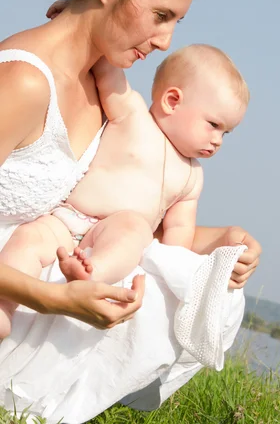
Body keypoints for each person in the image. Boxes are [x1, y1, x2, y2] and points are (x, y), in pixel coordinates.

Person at [0, 0, 261, 423]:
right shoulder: (23, 82)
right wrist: (49, 298)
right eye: (161, 15)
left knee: (203, 285)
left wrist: (225, 247)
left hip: (43, 268)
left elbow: (125, 214)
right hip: (15, 285)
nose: (166, 40)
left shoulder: (98, 85)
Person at [0, 44, 249, 337]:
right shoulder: (132, 114)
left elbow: (179, 229)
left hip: (113, 234)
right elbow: (107, 70)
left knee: (134, 229)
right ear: (172, 100)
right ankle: (4, 307)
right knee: (27, 240)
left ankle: (91, 272)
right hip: (66, 217)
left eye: (226, 133)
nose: (218, 140)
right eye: (213, 125)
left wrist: (174, 269)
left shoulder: (192, 175)